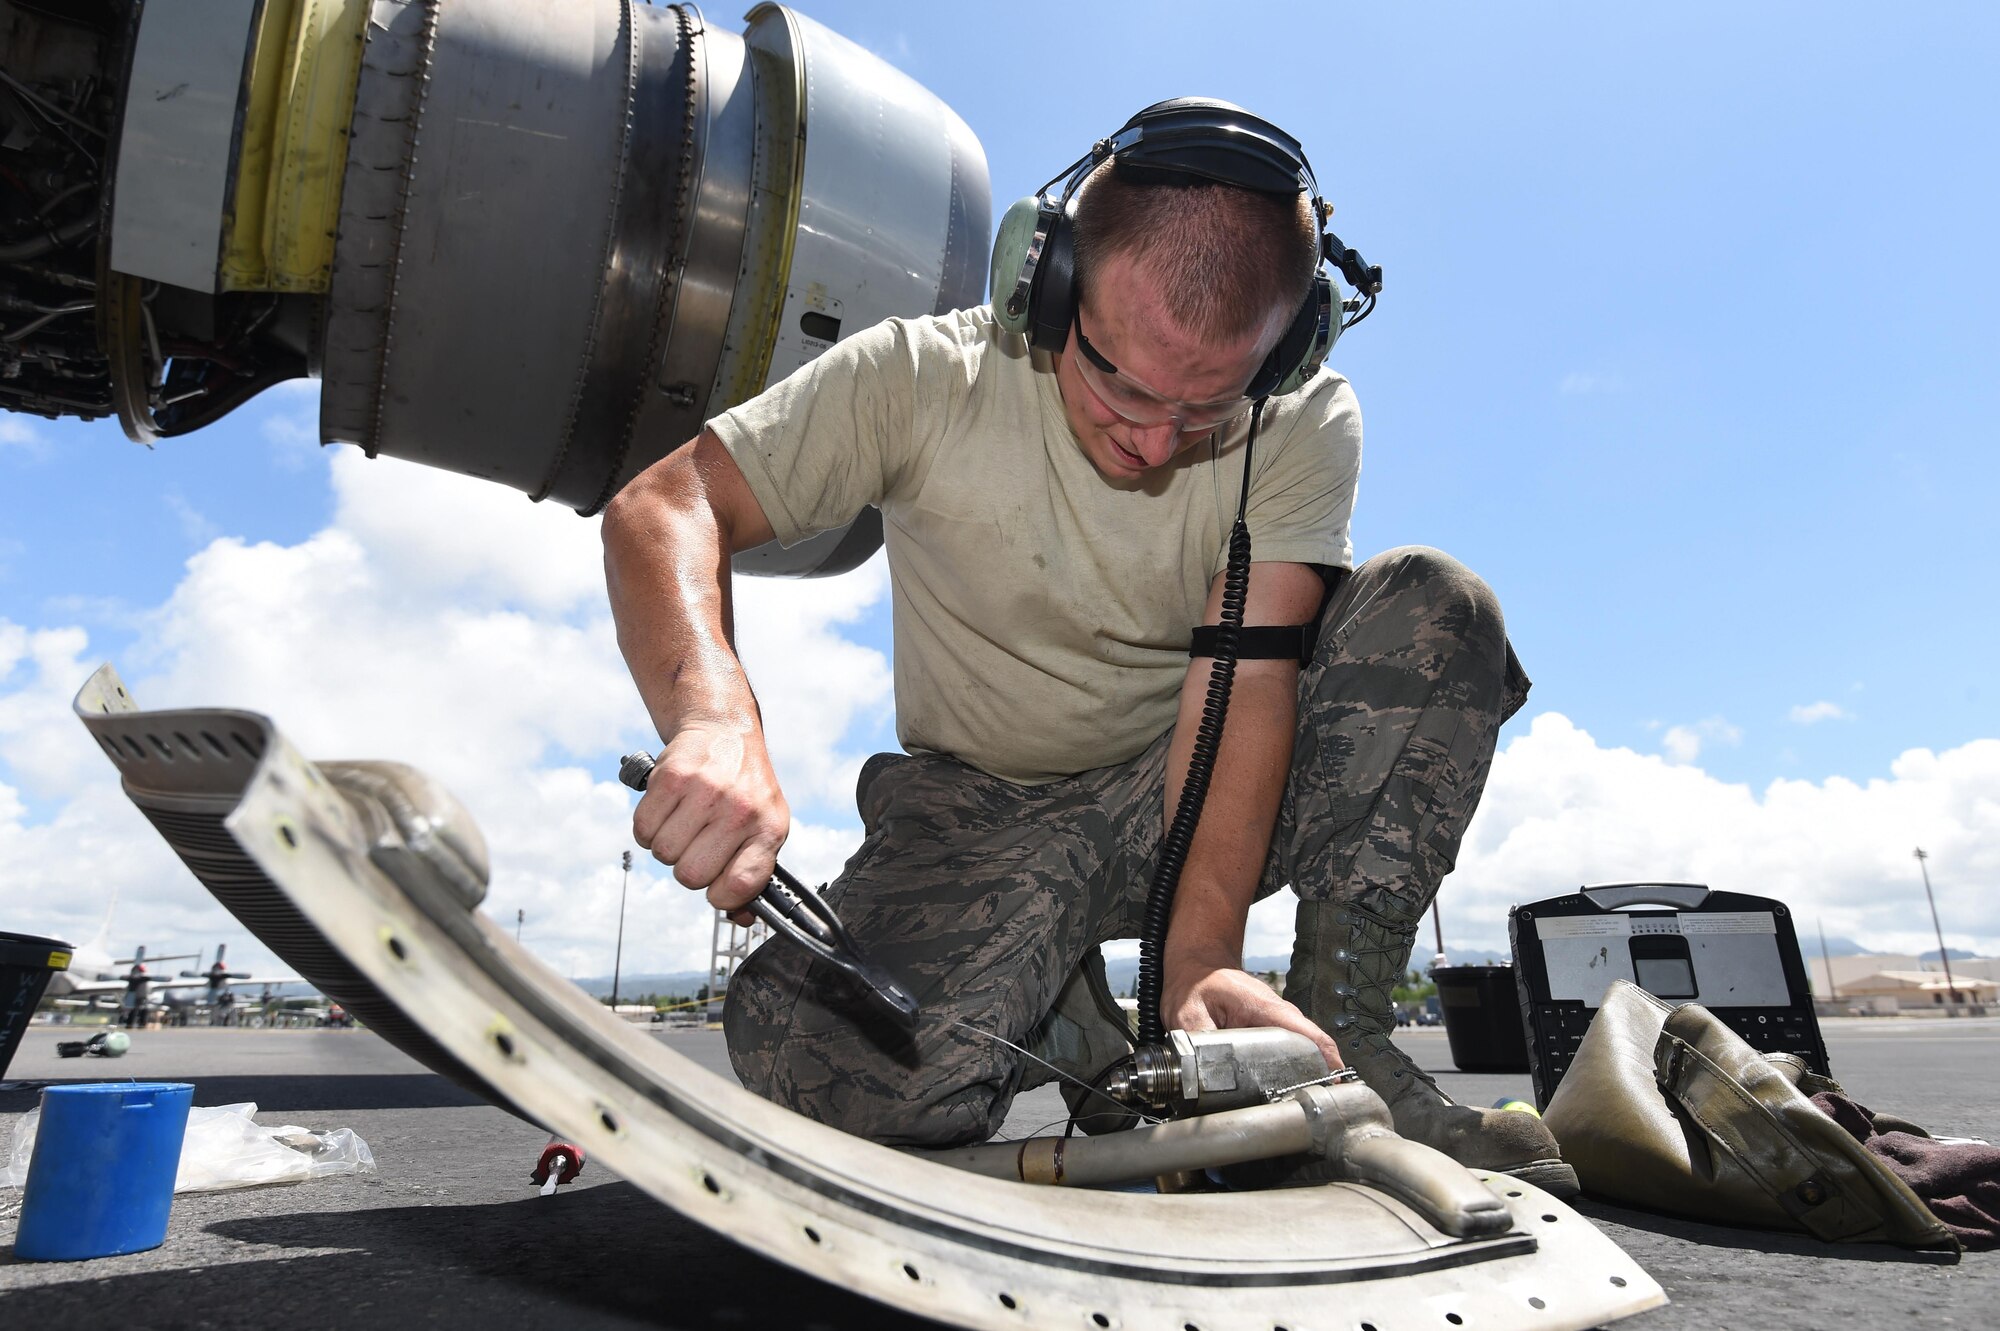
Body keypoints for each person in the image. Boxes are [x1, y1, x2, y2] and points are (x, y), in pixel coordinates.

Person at [602, 99, 1574, 1195]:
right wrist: (715, 716)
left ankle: (1342, 1042)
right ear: (1046, 281)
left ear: (1289, 346)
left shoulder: (1301, 418)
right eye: (1118, 377)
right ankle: (1067, 1017)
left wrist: (1199, 959)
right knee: (823, 1066)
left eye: (1204, 407)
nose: (1154, 441)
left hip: (1184, 787)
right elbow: (665, 503)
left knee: (1434, 605)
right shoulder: (920, 377)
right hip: (974, 812)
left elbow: (1246, 685)